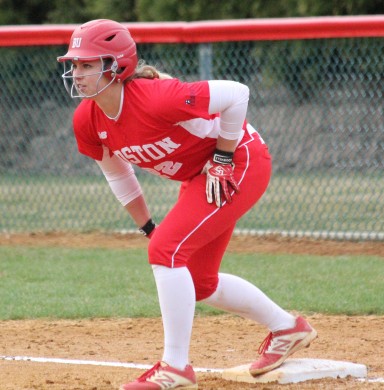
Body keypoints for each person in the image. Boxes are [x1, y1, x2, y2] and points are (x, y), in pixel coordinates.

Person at [57, 19, 317, 390]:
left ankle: (176, 367)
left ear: (118, 66)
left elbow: (237, 94)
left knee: (167, 253)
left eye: (87, 64)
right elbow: (118, 175)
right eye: (74, 64)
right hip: (200, 177)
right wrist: (149, 227)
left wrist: (223, 159)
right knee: (198, 280)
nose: (77, 73)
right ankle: (288, 328)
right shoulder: (88, 118)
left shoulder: (156, 97)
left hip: (242, 161)